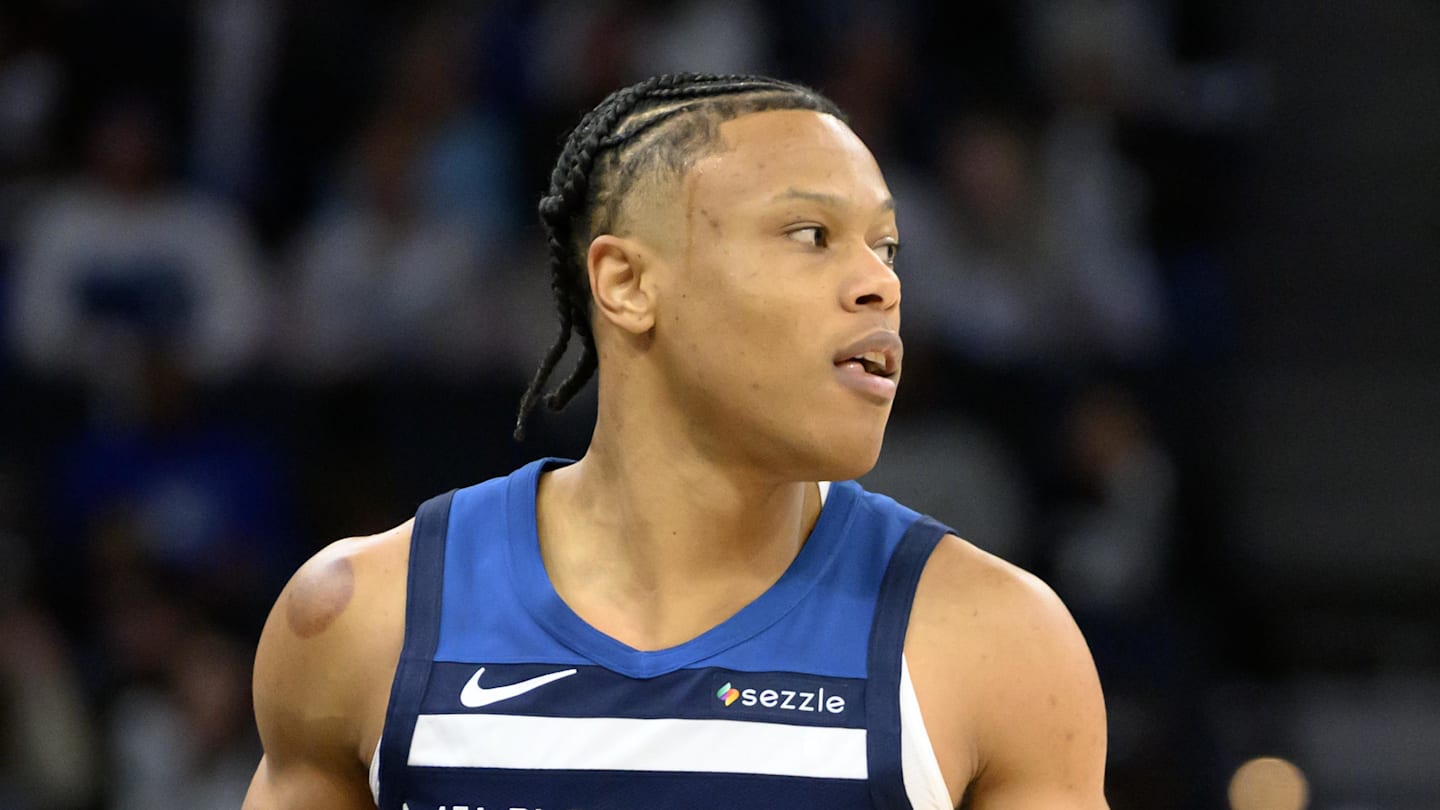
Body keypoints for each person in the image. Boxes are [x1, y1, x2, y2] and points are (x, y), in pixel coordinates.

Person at [243, 73, 1109, 810]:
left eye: (885, 247)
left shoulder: (996, 644)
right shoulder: (365, 618)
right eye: (811, 235)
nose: (880, 284)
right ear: (626, 282)